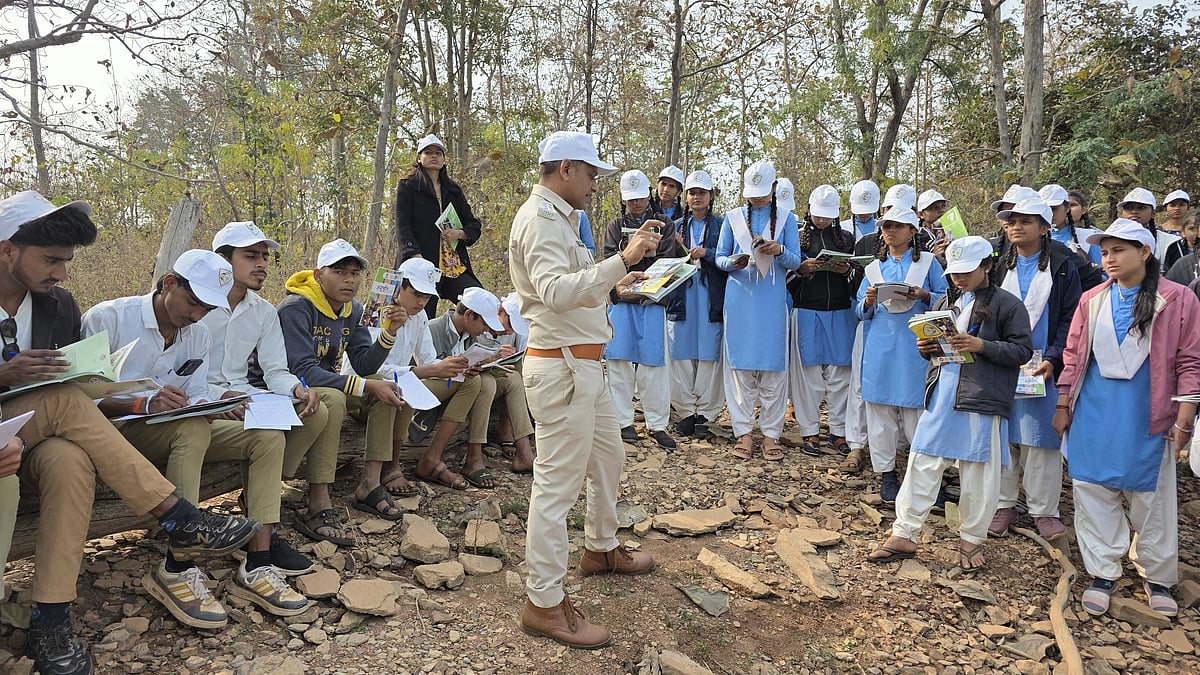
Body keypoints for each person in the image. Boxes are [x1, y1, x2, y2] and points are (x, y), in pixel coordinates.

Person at [0, 191, 259, 675]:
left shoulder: (57, 306)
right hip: (25, 422)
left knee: (67, 458)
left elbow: (76, 382)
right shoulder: (111, 314)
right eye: (51, 260)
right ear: (6, 249)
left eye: (66, 262)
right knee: (64, 407)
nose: (61, 273)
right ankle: (175, 513)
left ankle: (50, 617)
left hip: (29, 436)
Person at [82, 250, 311, 626]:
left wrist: (215, 405)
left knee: (266, 436)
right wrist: (142, 402)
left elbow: (196, 392)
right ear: (169, 283)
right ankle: (178, 567)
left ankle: (258, 562)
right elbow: (80, 398)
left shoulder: (198, 333)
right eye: (192, 303)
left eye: (206, 308)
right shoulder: (108, 318)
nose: (196, 314)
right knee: (189, 428)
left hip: (171, 426)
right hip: (115, 433)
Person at [509, 131, 657, 649]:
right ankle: (543, 601)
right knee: (556, 490)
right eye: (592, 174)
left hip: (583, 369)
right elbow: (552, 293)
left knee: (609, 457)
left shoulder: (560, 218)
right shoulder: (541, 220)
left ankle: (600, 547)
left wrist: (613, 285)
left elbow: (572, 284)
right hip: (563, 371)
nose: (595, 185)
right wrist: (624, 259)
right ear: (566, 168)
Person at [1053, 219, 1200, 618]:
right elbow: (1074, 356)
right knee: (1092, 490)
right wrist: (1064, 404)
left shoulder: (1179, 299)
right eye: (1105, 251)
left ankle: (1158, 576)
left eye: (1119, 250)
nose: (1110, 258)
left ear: (1145, 253)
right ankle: (1103, 570)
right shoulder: (1093, 299)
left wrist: (1184, 418)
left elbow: (1189, 361)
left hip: (1146, 413)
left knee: (1151, 497)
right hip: (1095, 410)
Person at [867, 237, 1033, 570]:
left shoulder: (1008, 305)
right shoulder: (948, 299)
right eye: (955, 272)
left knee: (978, 471)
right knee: (922, 459)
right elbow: (938, 346)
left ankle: (971, 540)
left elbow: (1022, 351)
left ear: (987, 266)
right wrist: (926, 348)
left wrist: (982, 345)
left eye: (967, 271)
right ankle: (905, 531)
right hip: (943, 392)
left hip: (981, 398)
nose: (959, 278)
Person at [203, 221, 327, 573]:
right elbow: (180, 373)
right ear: (223, 261)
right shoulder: (197, 305)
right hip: (202, 400)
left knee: (315, 410)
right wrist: (219, 398)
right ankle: (264, 540)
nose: (262, 264)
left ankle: (260, 495)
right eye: (251, 256)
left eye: (264, 257)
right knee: (267, 433)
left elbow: (274, 370)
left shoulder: (263, 311)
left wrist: (297, 388)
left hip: (247, 396)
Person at [278, 239, 409, 529]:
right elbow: (303, 371)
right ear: (318, 275)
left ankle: (369, 484)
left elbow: (364, 365)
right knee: (336, 399)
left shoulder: (353, 309)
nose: (349, 279)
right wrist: (364, 387)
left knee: (384, 386)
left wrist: (389, 332)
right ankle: (318, 497)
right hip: (292, 389)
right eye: (339, 272)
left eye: (354, 272)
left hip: (329, 384)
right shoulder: (296, 307)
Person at [345, 257, 483, 492]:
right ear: (399, 286)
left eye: (427, 297)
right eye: (417, 294)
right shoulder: (374, 313)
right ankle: (389, 468)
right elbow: (370, 370)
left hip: (402, 383)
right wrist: (426, 370)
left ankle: (432, 456)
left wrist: (457, 366)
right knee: (397, 388)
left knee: (471, 381)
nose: (421, 302)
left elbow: (429, 359)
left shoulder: (419, 317)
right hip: (362, 391)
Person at [987, 197, 1081, 540]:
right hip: (1004, 359)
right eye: (1011, 221)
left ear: (1044, 228)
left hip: (1043, 363)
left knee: (1041, 438)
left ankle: (1044, 510)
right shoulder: (999, 265)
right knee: (1004, 433)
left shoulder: (1062, 265)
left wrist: (1055, 357)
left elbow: (1070, 317)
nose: (1016, 226)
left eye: (1026, 221)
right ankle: (1003, 503)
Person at [856, 206, 948, 503]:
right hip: (881, 345)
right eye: (886, 227)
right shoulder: (873, 268)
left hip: (914, 348)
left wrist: (923, 296)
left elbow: (948, 301)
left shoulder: (930, 263)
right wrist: (869, 300)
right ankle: (886, 472)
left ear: (912, 230)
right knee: (880, 411)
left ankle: (919, 470)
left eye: (897, 226)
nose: (890, 231)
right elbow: (859, 310)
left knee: (915, 410)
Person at [715, 160, 802, 461]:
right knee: (739, 368)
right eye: (752, 193)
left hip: (771, 303)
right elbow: (719, 257)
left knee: (774, 369)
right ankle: (743, 432)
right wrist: (732, 263)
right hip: (740, 300)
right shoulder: (733, 217)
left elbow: (796, 261)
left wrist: (779, 251)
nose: (757, 198)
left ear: (773, 190)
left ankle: (770, 434)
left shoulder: (787, 219)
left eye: (763, 193)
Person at [603, 170, 678, 449]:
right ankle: (623, 422)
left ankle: (657, 424)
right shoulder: (614, 226)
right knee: (619, 362)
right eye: (630, 199)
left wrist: (650, 254)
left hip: (652, 300)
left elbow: (669, 260)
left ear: (649, 194)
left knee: (653, 366)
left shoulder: (665, 224)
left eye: (640, 197)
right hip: (623, 300)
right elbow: (609, 260)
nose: (636, 204)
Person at [787, 185, 860, 457]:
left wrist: (847, 270)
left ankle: (838, 431)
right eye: (818, 215)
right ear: (809, 211)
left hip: (841, 311)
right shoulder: (797, 238)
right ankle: (809, 431)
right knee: (809, 377)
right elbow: (786, 279)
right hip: (807, 310)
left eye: (827, 216)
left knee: (841, 376)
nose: (822, 221)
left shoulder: (847, 238)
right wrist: (802, 270)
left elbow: (858, 279)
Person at [425, 287, 510, 487]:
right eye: (484, 323)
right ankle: (437, 457)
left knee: (486, 381)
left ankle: (474, 456)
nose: (486, 330)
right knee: (476, 381)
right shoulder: (433, 329)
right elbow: (425, 366)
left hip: (455, 386)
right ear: (469, 315)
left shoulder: (471, 335)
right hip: (430, 387)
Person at [394, 134, 483, 314]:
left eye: (438, 153)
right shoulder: (408, 186)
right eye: (428, 152)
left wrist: (459, 234)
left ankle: (456, 338)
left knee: (478, 303)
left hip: (452, 265)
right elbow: (403, 226)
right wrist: (414, 256)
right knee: (421, 316)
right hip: (421, 264)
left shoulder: (453, 190)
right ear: (419, 158)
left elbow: (473, 225)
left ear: (444, 160)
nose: (433, 156)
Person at [667, 170, 726, 438]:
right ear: (686, 196)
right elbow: (664, 264)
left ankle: (707, 413)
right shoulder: (675, 226)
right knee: (680, 351)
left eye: (701, 192)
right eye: (692, 192)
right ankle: (686, 411)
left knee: (709, 352)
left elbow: (730, 258)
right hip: (682, 295)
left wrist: (708, 253)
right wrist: (677, 248)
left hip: (710, 294)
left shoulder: (723, 226)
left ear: (711, 196)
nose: (696, 197)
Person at [492, 292, 536, 471]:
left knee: (519, 368)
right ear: (501, 311)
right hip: (481, 375)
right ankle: (511, 433)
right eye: (510, 324)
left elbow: (524, 352)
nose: (509, 331)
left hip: (502, 374)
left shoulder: (514, 330)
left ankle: (514, 433)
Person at [1043, 184, 1104, 291]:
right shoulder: (1031, 240)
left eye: (1054, 209)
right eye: (1044, 209)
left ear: (1067, 208)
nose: (1050, 214)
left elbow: (1106, 276)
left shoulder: (1089, 237)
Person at [1117, 187, 1179, 267]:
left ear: (1153, 213)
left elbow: (1178, 273)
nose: (1134, 211)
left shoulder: (1168, 242)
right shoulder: (1111, 239)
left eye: (1141, 208)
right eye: (1129, 208)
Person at [1160, 190, 1191, 270]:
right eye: (1172, 205)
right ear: (1165, 208)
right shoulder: (1158, 231)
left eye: (1181, 205)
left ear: (1188, 207)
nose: (1177, 208)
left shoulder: (1194, 230)